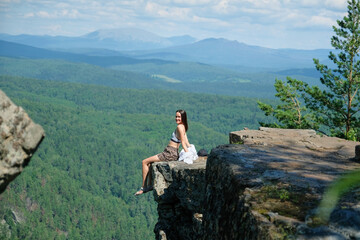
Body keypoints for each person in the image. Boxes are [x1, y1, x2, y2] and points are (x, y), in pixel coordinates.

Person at [134, 109, 191, 196]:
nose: (176, 118)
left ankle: (143, 187)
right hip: (170, 152)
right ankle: (149, 185)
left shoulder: (180, 127)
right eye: (176, 116)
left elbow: (183, 142)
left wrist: (188, 155)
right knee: (150, 163)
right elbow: (187, 142)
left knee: (144, 162)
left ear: (183, 117)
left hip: (169, 153)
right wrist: (190, 150)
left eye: (179, 116)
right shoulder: (183, 126)